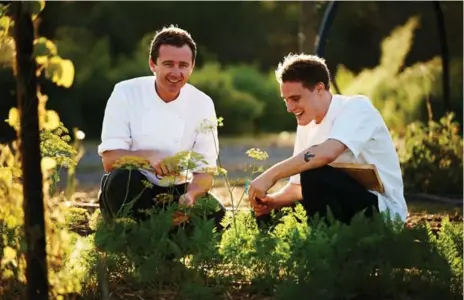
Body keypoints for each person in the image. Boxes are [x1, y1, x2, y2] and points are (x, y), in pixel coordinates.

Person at [247, 53, 408, 225]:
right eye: (286, 100)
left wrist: (270, 176)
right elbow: (298, 187)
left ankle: (328, 241)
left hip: (383, 209)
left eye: (295, 98)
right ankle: (317, 240)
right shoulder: (306, 123)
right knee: (267, 217)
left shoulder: (356, 108)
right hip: (340, 203)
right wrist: (272, 202)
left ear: (319, 88)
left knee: (314, 171)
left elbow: (327, 153)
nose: (289, 108)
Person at [97, 25, 225, 227]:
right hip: (133, 187)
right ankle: (138, 245)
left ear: (192, 67)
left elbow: (205, 172)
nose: (176, 72)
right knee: (120, 179)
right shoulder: (126, 93)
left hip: (176, 190)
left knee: (217, 214)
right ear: (152, 64)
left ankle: (168, 249)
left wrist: (191, 196)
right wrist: (148, 157)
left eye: (183, 65)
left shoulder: (203, 103)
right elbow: (109, 160)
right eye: (168, 64)